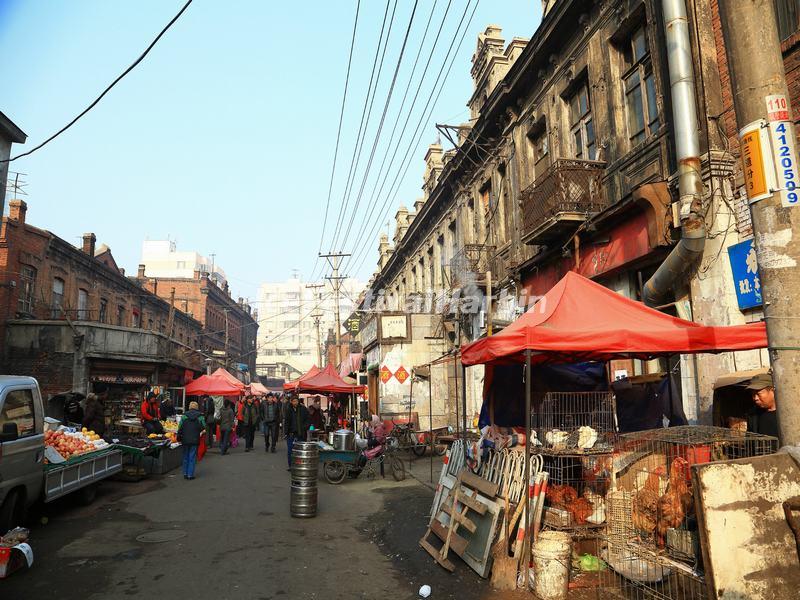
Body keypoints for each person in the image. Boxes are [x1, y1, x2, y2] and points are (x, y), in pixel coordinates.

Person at [177, 400, 206, 480]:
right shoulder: (200, 416)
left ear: (189, 407)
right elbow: (203, 427)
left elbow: (180, 427)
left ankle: (185, 473)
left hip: (185, 439)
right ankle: (190, 474)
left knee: (185, 456)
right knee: (192, 457)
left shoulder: (184, 416)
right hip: (195, 438)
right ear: (197, 407)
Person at [747, 372, 780, 438]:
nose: (755, 398)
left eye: (758, 394)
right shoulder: (753, 415)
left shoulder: (788, 413)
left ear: (772, 391)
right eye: (753, 394)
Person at [283, 395, 310, 470]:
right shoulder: (288, 410)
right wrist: (286, 432)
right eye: (293, 401)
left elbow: (308, 420)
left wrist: (304, 427)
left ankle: (299, 465)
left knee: (300, 451)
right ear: (291, 402)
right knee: (290, 451)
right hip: (291, 434)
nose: (295, 403)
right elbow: (287, 422)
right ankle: (291, 466)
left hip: (301, 434)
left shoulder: (303, 409)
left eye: (296, 401)